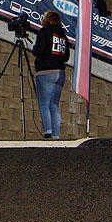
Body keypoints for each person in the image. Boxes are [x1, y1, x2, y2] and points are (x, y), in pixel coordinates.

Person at [32, 11, 70, 139]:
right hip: (60, 72)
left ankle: (48, 131)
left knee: (44, 103)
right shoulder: (63, 36)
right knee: (54, 104)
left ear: (46, 20)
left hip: (45, 71)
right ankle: (56, 135)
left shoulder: (44, 32)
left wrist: (35, 50)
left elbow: (38, 50)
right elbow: (66, 56)